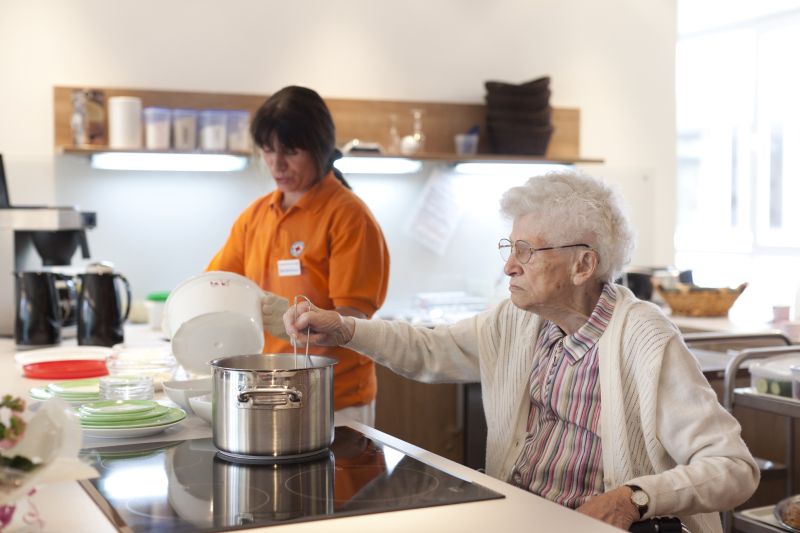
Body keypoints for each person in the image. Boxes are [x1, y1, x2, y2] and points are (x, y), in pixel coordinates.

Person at [282, 169, 759, 532]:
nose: (509, 265)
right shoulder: (520, 321)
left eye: (527, 251)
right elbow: (430, 346)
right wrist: (343, 329)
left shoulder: (645, 339)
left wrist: (633, 497)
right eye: (510, 247)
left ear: (583, 264)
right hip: (521, 517)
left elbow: (734, 469)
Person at [207, 85, 390, 426]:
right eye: (267, 150)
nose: (276, 164)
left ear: (319, 149)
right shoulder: (257, 216)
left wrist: (293, 321)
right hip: (269, 389)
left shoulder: (348, 216)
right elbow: (219, 283)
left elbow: (353, 319)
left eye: (290, 152)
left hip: (334, 398)